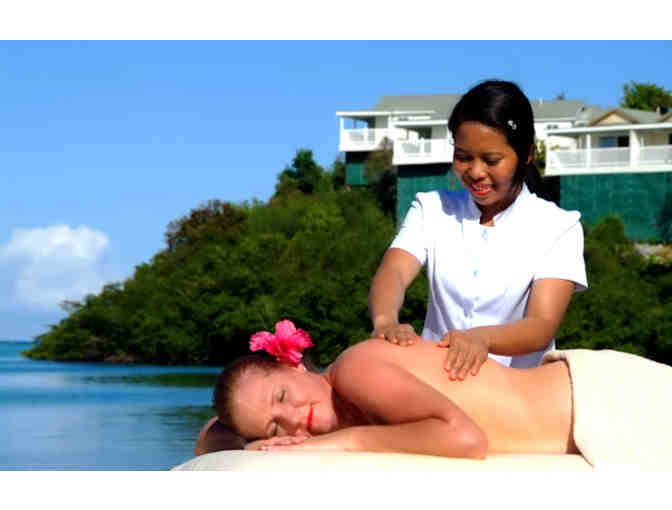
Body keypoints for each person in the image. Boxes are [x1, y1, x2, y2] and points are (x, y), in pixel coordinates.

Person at [369, 80, 587, 379]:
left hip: (518, 393)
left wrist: (481, 339)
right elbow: (394, 270)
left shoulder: (559, 227)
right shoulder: (431, 208)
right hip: (435, 383)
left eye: (491, 160)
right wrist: (385, 321)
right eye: (463, 157)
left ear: (526, 154)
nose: (475, 172)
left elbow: (541, 325)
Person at [198, 336, 672, 468]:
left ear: (295, 365)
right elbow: (208, 439)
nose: (291, 418)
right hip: (593, 413)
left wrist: (338, 443)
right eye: (275, 428)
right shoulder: (345, 402)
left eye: (282, 396)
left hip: (608, 402)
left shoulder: (355, 370)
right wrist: (250, 440)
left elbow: (465, 439)